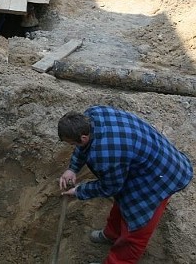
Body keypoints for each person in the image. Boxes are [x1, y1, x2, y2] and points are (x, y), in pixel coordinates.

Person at [57, 106, 193, 263]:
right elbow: (83, 146)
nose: (73, 147)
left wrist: (79, 191)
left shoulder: (105, 154)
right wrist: (72, 169)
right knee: (123, 201)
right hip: (145, 159)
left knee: (135, 230)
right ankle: (112, 234)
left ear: (83, 138)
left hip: (163, 176)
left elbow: (109, 187)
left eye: (72, 143)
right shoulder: (93, 114)